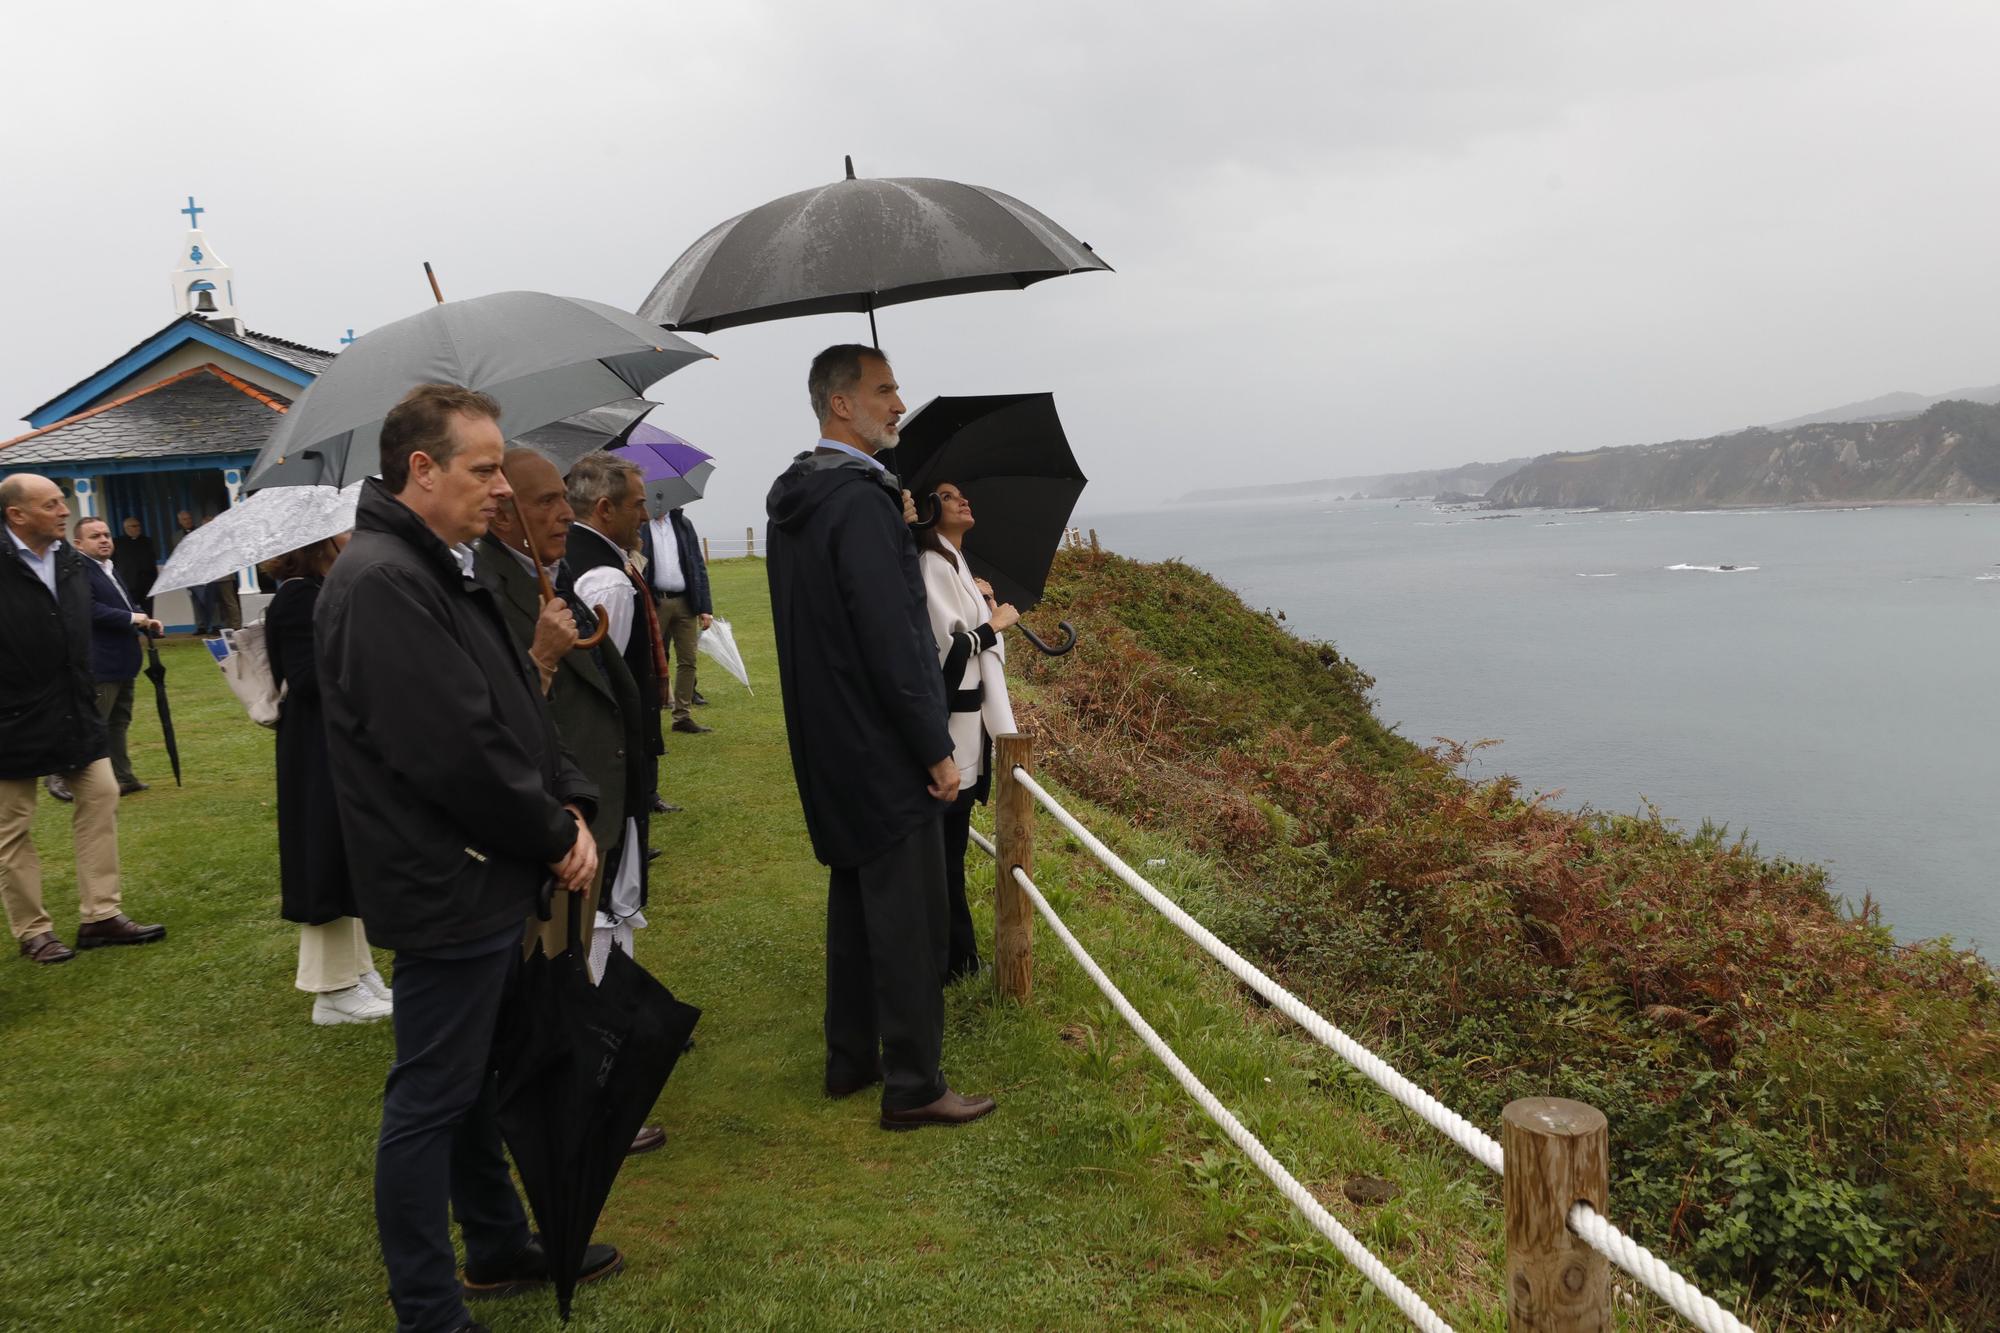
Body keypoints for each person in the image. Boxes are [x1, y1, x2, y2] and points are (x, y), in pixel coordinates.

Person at [315, 384, 619, 1331]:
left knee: (474, 1080)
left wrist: (568, 792)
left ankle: (492, 1243)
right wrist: (551, 831)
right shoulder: (381, 581)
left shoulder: (435, 567)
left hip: (481, 867)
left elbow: (511, 711)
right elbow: (453, 748)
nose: (501, 487)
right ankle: (428, 1307)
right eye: (483, 469)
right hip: (446, 875)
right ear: (421, 468)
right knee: (432, 1096)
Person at [766, 344, 996, 1131]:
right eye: (884, 389)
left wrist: (890, 521)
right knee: (908, 914)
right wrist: (935, 748)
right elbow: (892, 637)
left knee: (856, 899)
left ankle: (850, 1056)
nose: (899, 404)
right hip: (880, 739)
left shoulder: (805, 495)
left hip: (827, 736)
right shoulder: (858, 500)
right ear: (840, 405)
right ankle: (913, 1083)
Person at [477, 448, 665, 1158]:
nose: (566, 512)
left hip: (588, 800)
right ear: (504, 511)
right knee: (551, 969)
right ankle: (564, 1107)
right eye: (548, 501)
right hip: (549, 810)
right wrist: (543, 657)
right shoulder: (491, 587)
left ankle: (576, 1095)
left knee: (574, 959)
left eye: (566, 498)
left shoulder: (549, 578)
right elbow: (495, 715)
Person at [1, 474, 167, 965]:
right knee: (13, 825)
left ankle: (100, 915)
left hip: (74, 705)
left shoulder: (72, 563)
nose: (63, 511)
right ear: (17, 515)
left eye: (62, 502)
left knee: (101, 792)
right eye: (50, 504)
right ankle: (33, 930)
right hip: (9, 714)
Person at [265, 535, 390, 1026]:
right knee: (324, 856)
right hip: (314, 745)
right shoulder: (298, 596)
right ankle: (331, 990)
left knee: (344, 853)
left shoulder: (319, 590)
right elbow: (307, 676)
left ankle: (357, 973)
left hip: (333, 741)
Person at [914, 484, 1021, 982]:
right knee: (942, 854)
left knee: (950, 850)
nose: (963, 500)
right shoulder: (933, 564)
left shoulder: (954, 563)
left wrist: (982, 603)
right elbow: (947, 654)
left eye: (963, 493)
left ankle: (956, 956)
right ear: (930, 509)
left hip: (967, 733)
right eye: (948, 494)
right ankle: (952, 959)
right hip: (950, 733)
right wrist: (995, 623)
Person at [566, 451, 672, 816]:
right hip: (611, 754)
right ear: (605, 508)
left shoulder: (574, 557)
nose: (644, 516)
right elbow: (605, 681)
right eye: (637, 505)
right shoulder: (607, 581)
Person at [74, 516, 162, 796]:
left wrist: (145, 619)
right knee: (95, 725)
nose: (103, 540)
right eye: (95, 536)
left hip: (124, 660)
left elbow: (126, 603)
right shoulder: (79, 571)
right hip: (101, 662)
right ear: (78, 544)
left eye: (106, 535)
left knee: (118, 723)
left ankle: (123, 777)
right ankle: (65, 778)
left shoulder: (110, 568)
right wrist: (131, 617)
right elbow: (90, 610)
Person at [640, 504, 714, 735]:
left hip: (685, 602)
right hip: (655, 602)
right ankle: (648, 718)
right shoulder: (640, 526)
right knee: (649, 661)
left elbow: (697, 565)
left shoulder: (683, 524)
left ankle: (682, 716)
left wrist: (705, 607)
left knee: (688, 660)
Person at [172, 510, 218, 634]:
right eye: (184, 519)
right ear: (180, 521)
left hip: (204, 571)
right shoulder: (176, 537)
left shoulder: (201, 531)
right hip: (189, 574)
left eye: (189, 518)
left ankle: (214, 625)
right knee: (195, 601)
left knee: (209, 599)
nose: (188, 521)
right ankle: (201, 626)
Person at [112, 515, 158, 616]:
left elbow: (152, 561)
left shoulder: (147, 541)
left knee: (148, 612)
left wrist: (154, 581)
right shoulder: (117, 543)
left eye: (138, 525)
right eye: (134, 526)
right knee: (129, 612)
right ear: (126, 528)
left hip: (147, 584)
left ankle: (150, 632)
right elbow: (113, 564)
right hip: (128, 584)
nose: (138, 528)